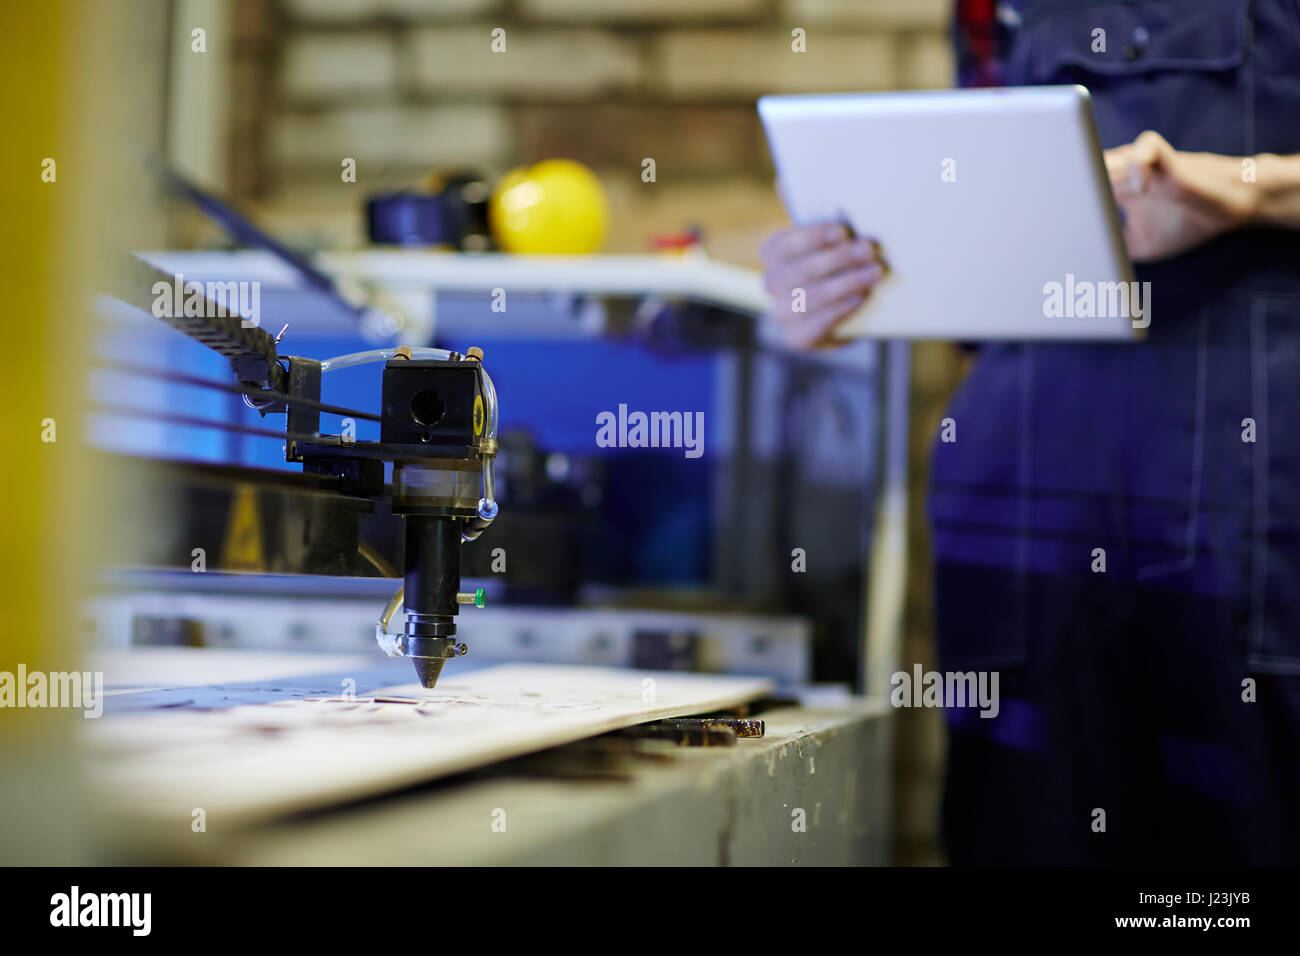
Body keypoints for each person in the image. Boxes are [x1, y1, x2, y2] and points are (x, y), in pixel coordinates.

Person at [760, 0, 1300, 864]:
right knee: (1027, 824)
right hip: (1022, 489)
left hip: (1251, 482)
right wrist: (841, 281)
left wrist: (1253, 187)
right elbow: (982, 262)